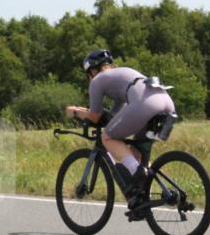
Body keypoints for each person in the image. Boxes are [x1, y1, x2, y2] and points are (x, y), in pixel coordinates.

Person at [65, 49, 175, 219]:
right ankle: (144, 198)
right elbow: (114, 117)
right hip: (166, 102)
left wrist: (75, 112)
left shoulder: (97, 81)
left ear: (92, 71)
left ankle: (138, 172)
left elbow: (95, 115)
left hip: (145, 104)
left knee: (107, 137)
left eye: (88, 74)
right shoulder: (122, 75)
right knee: (137, 154)